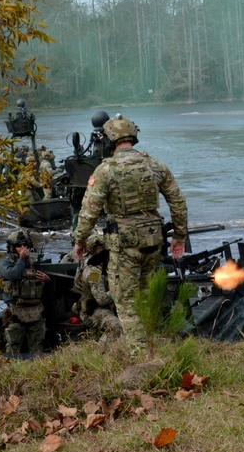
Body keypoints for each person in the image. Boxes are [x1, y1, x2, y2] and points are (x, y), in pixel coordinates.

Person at [72, 114, 188, 357]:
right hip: (154, 241)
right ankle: (152, 343)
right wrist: (179, 236)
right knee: (146, 293)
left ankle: (140, 354)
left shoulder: (106, 170)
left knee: (124, 300)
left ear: (110, 140)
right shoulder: (155, 165)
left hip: (125, 244)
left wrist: (80, 240)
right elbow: (177, 201)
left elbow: (89, 210)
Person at [0, 229, 50, 357]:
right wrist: (21, 259)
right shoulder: (5, 261)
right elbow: (13, 275)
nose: (22, 248)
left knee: (37, 346)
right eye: (19, 246)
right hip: (16, 309)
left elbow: (40, 279)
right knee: (13, 346)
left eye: (25, 245)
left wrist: (47, 279)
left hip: (35, 310)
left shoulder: (33, 260)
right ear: (11, 247)